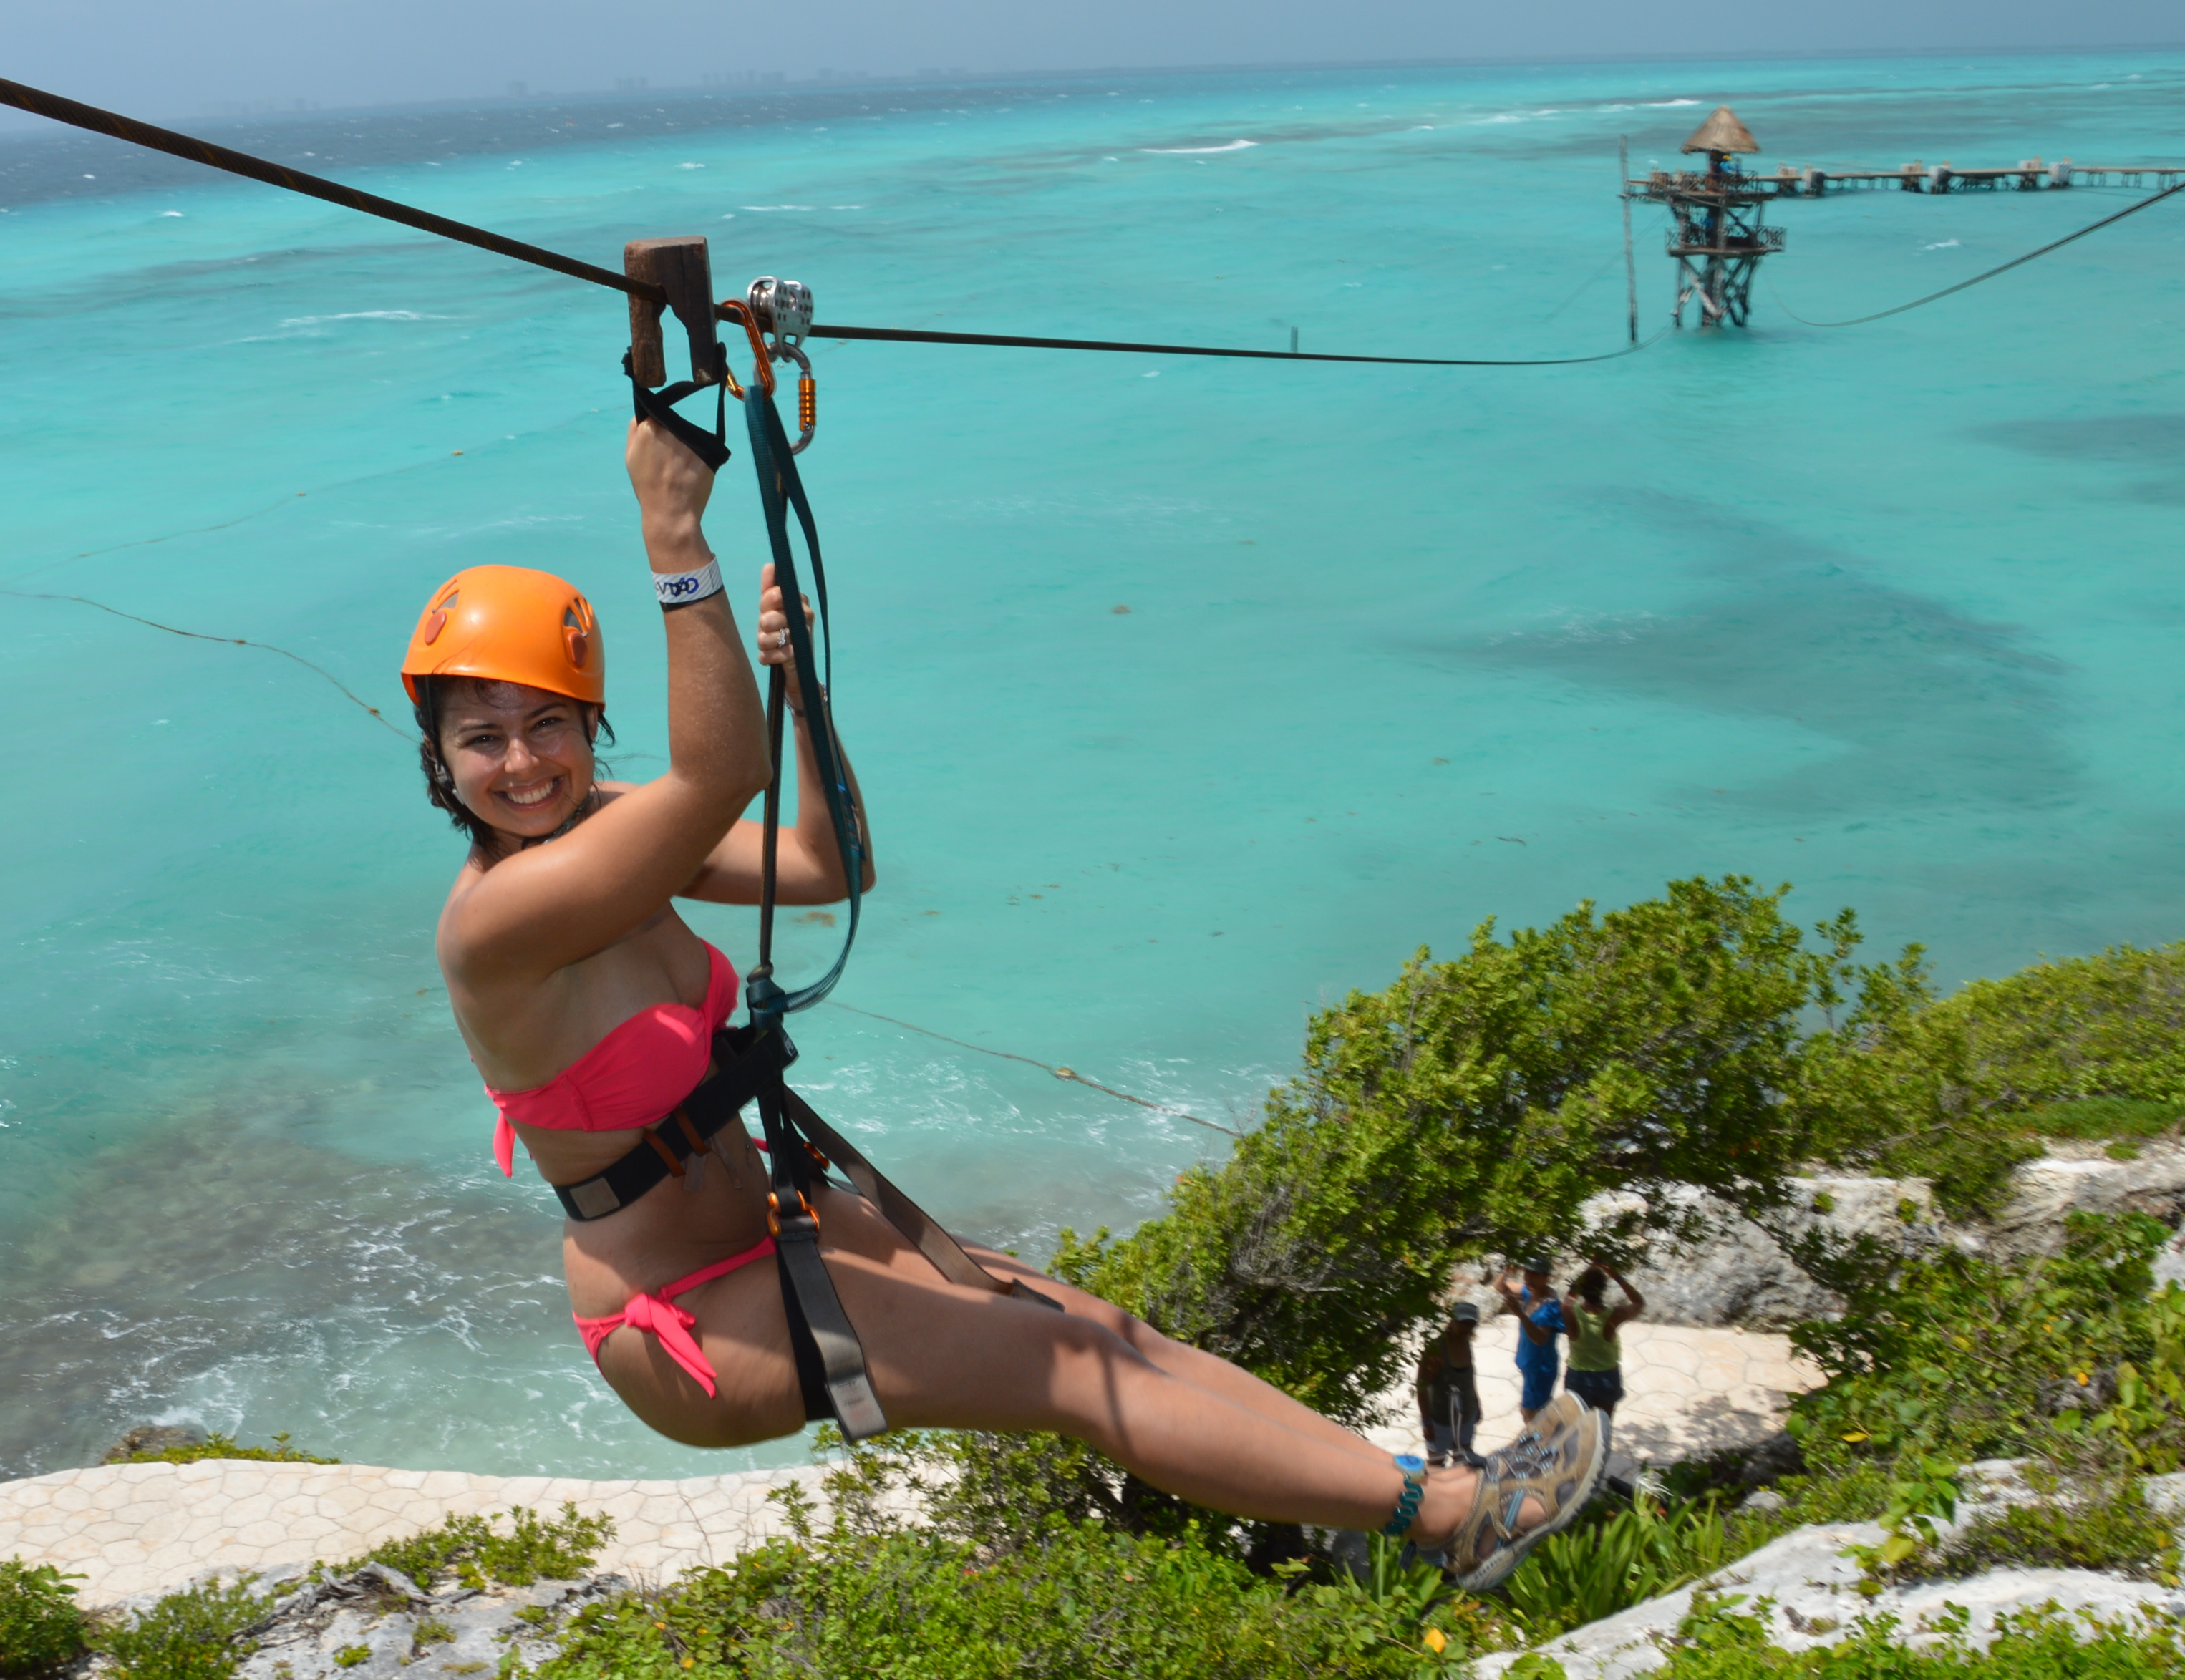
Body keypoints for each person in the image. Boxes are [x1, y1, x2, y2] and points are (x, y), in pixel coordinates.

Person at [408, 419, 1604, 1589]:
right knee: (1065, 1369)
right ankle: (1450, 1515)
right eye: (483, 739)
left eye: (547, 725)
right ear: (438, 759)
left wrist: (794, 688)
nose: (522, 763)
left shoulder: (609, 831)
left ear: (584, 725)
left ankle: (1386, 1487)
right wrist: (675, 535)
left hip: (776, 1226)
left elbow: (828, 868)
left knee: (1100, 1329)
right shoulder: (497, 925)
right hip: (684, 1319)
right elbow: (717, 772)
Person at [1563, 1263, 1647, 1461]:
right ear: (1604, 1289)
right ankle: (1597, 1468)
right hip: (1607, 1377)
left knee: (1577, 1428)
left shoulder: (1570, 1311)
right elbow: (1639, 1302)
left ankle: (1575, 1468)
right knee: (1603, 1428)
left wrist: (1588, 1269)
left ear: (1582, 1290)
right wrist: (1615, 1274)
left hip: (1578, 1377)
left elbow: (1569, 1298)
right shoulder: (1614, 1315)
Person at [1414, 1302, 1484, 1467]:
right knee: (1436, 1465)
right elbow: (1422, 1387)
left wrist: (1477, 1404)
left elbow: (1469, 1379)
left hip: (1466, 1414)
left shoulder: (1467, 1343)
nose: (1466, 1328)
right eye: (1463, 1322)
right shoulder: (1437, 1349)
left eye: (1471, 1324)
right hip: (1440, 1419)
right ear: (1452, 1321)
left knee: (1464, 1460)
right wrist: (1426, 1423)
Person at [1498, 1258, 1569, 1421]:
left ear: (1546, 1277)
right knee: (1530, 1412)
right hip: (1530, 1366)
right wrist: (1507, 1270)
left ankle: (1538, 1444)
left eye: (1534, 1275)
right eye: (1526, 1273)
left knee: (1532, 1415)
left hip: (1541, 1369)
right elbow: (1499, 1286)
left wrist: (1520, 1314)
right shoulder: (1529, 1293)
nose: (1528, 1278)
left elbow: (1540, 1339)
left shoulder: (1550, 1307)